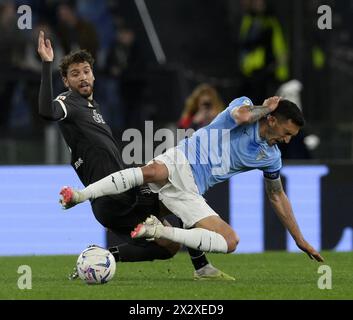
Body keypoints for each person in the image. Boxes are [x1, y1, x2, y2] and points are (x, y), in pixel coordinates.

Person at [37, 31, 233, 280]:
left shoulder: (92, 108)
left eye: (86, 71)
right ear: (65, 81)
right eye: (75, 74)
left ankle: (101, 258)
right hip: (114, 197)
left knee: (169, 246)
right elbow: (46, 111)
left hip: (113, 201)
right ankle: (203, 269)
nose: (83, 77)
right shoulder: (68, 102)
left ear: (94, 75)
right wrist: (46, 64)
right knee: (181, 193)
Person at [61, 94, 324, 263]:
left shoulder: (271, 156)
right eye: (287, 132)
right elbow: (242, 116)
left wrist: (300, 240)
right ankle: (81, 195)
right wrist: (265, 107)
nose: (287, 140)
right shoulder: (244, 106)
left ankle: (160, 231)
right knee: (151, 171)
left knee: (230, 242)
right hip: (182, 159)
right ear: (273, 119)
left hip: (193, 190)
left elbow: (277, 196)